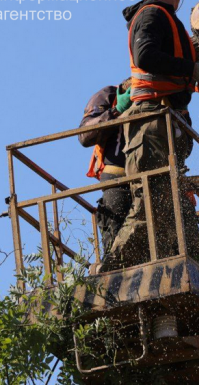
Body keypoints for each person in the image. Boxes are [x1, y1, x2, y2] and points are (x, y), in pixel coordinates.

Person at [110, 0, 199, 269]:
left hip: (166, 122)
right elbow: (145, 56)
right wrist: (190, 69)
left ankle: (195, 271)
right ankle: (107, 279)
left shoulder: (165, 20)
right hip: (151, 124)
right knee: (148, 208)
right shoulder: (152, 15)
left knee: (180, 212)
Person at [78, 81, 132, 269]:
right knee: (117, 243)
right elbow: (84, 135)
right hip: (117, 178)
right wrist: (116, 110)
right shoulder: (111, 95)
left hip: (151, 177)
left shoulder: (162, 96)